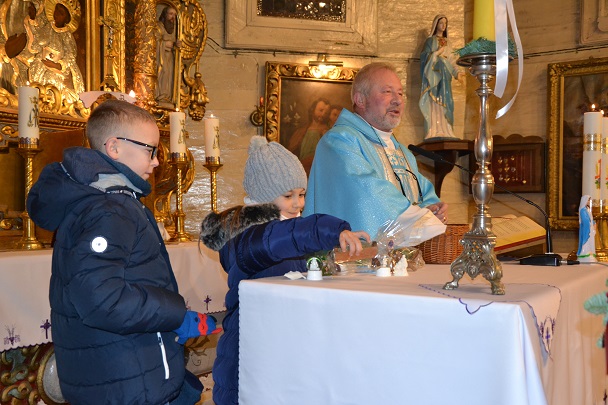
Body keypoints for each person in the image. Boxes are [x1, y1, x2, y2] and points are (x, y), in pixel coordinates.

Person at [26, 100, 220, 405]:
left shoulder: (108, 201)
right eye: (150, 150)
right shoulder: (109, 209)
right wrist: (176, 315)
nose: (156, 161)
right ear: (114, 147)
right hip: (122, 378)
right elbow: (102, 300)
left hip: (122, 368)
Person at [200, 135, 370, 405]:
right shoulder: (250, 238)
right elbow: (285, 237)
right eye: (288, 196)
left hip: (278, 340)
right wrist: (333, 230)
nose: (298, 204)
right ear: (263, 199)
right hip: (249, 344)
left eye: (301, 194)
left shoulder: (284, 230)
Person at [304, 62, 448, 242]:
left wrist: (433, 209)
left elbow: (423, 195)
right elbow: (367, 191)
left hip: (402, 256)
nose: (397, 100)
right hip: (350, 256)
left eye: (400, 93)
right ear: (360, 100)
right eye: (387, 92)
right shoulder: (339, 141)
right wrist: (420, 218)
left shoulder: (403, 152)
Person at [419, 14, 464, 140]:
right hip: (434, 77)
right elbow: (424, 57)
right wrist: (436, 54)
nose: (443, 25)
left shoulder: (448, 42)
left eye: (445, 23)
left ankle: (447, 129)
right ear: (436, 24)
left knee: (447, 101)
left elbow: (452, 60)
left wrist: (457, 73)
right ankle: (434, 130)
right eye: (441, 23)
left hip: (445, 77)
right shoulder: (430, 41)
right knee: (434, 101)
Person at [287, 97, 330, 173]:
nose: (323, 114)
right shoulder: (302, 130)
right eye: (321, 110)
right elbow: (292, 150)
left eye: (326, 113)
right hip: (302, 169)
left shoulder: (328, 132)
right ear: (313, 110)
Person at [156, 5, 181, 105]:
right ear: (164, 15)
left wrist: (176, 45)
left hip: (170, 57)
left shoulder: (173, 29)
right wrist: (164, 44)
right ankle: (160, 95)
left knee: (170, 76)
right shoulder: (158, 27)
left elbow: (174, 44)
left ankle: (167, 96)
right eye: (170, 14)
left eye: (174, 15)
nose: (172, 17)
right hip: (160, 56)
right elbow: (152, 42)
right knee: (164, 72)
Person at [577, 194, 597, 262]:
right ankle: (584, 253)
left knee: (590, 241)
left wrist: (593, 223)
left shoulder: (587, 209)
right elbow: (585, 220)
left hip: (590, 228)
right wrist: (590, 225)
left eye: (589, 200)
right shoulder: (582, 210)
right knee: (585, 240)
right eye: (588, 200)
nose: (589, 201)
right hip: (586, 229)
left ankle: (589, 252)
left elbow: (591, 218)